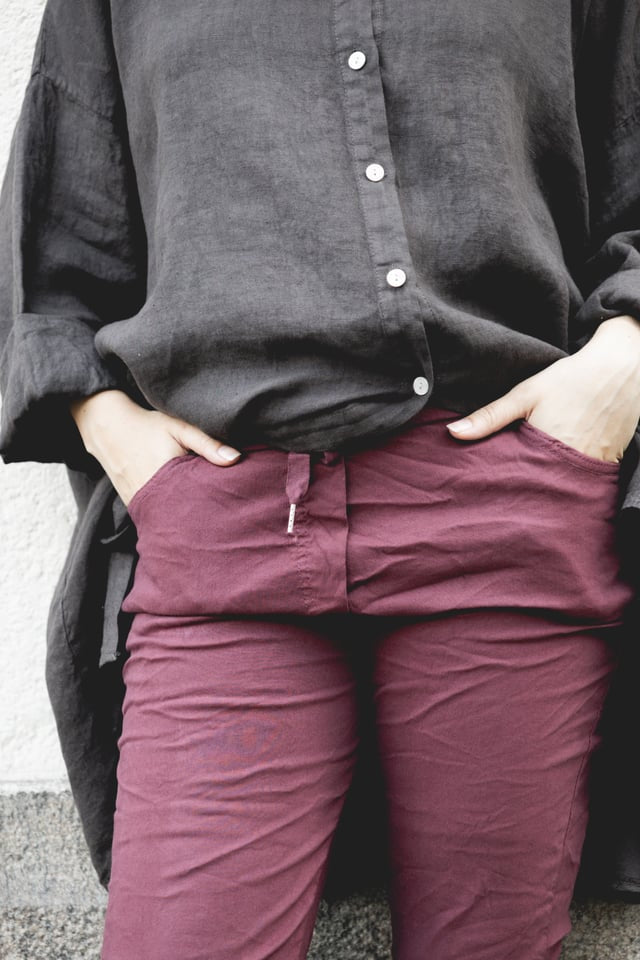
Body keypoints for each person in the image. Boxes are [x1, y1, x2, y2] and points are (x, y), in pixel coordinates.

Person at [1, 1, 640, 958]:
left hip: (501, 511)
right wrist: (122, 440)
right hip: (228, 529)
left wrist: (624, 357)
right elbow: (57, 249)